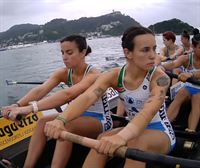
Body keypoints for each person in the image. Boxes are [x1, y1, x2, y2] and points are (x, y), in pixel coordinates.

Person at [44, 26, 176, 168]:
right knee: (103, 139)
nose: (153, 55)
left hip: (160, 131)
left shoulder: (160, 78)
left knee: (136, 143)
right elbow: (87, 97)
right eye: (145, 50)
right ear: (128, 53)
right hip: (132, 129)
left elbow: (148, 112)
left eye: (154, 48)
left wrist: (122, 136)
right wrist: (61, 119)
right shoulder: (113, 75)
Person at [2, 35, 113, 168]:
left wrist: (29, 109)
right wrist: (18, 105)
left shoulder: (94, 75)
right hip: (75, 115)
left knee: (65, 125)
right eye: (62, 52)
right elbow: (40, 90)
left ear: (83, 52)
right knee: (42, 122)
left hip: (100, 119)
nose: (64, 57)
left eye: (69, 52)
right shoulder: (63, 73)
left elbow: (68, 94)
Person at [162, 31, 200, 132]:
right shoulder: (187, 58)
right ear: (193, 47)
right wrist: (159, 67)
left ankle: (191, 130)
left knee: (197, 97)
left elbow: (197, 74)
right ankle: (165, 126)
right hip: (190, 89)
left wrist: (191, 75)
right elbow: (172, 65)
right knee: (182, 92)